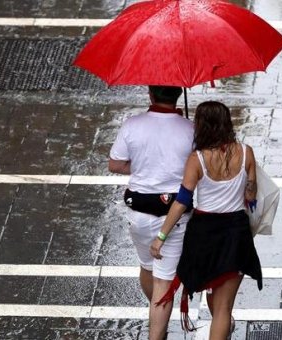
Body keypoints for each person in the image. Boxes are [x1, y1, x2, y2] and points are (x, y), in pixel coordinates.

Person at [150, 101, 263, 340]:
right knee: (223, 310)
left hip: (205, 235)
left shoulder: (197, 158)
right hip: (236, 233)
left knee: (212, 295)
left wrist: (161, 237)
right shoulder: (246, 152)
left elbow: (182, 201)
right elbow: (251, 196)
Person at [109, 85, 194, 340]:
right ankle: (157, 332)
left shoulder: (132, 125)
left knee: (147, 268)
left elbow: (115, 164)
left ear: (150, 94)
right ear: (178, 95)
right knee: (163, 283)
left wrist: (145, 166)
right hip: (174, 218)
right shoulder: (190, 129)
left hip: (139, 216)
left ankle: (157, 308)